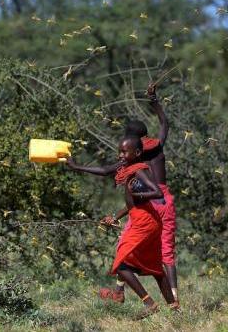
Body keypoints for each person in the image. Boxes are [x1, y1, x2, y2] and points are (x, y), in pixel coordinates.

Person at [67, 83, 180, 307]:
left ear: (134, 144)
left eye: (125, 147)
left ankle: (132, 295)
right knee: (163, 252)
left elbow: (109, 172)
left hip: (148, 203)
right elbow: (165, 124)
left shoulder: (133, 159)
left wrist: (77, 166)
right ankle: (173, 299)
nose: (121, 153)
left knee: (127, 247)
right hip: (162, 202)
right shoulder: (156, 146)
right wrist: (154, 100)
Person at [72, 136, 176, 319]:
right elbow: (131, 202)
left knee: (121, 265)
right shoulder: (129, 169)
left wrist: (139, 194)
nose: (120, 155)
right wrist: (114, 217)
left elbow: (157, 192)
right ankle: (176, 310)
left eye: (124, 152)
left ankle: (149, 304)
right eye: (119, 151)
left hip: (144, 224)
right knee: (156, 269)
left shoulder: (140, 171)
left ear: (136, 153)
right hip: (147, 221)